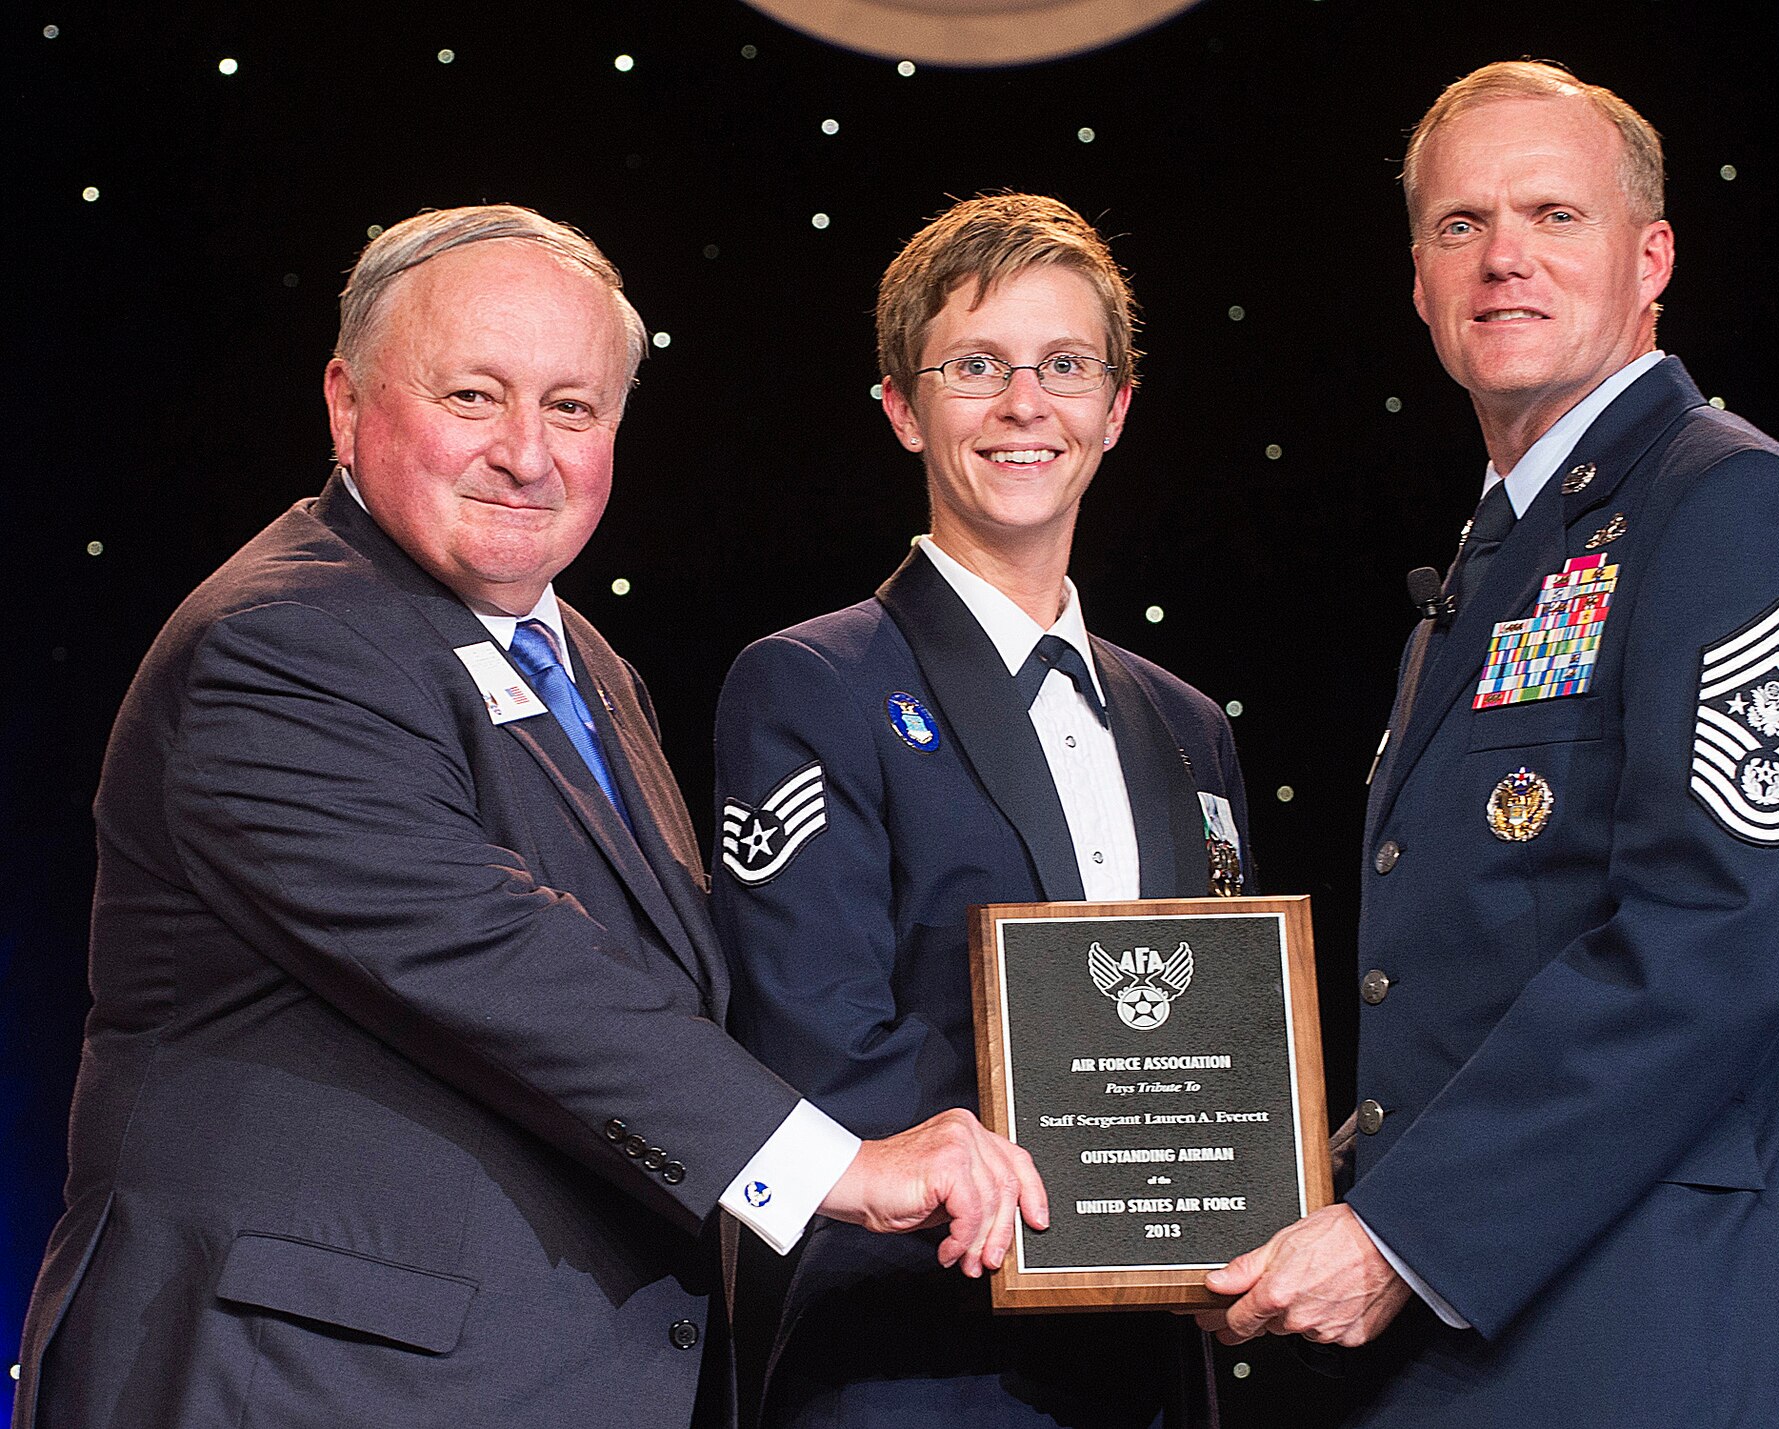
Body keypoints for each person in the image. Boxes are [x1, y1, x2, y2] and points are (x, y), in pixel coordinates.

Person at [9, 204, 1046, 1429]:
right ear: (345, 403)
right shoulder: (281, 643)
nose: (526, 452)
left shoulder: (583, 661)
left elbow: (678, 979)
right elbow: (493, 955)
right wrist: (843, 1162)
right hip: (310, 1382)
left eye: (572, 407)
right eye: (470, 397)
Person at [1196, 62, 1779, 1427]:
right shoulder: (1501, 555)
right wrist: (1309, 1178)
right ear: (1417, 279)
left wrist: (1402, 1233)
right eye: (1461, 225)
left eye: (1554, 214)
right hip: (1484, 1340)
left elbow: (1708, 940)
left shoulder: (1732, 510)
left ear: (1651, 256)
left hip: (1649, 1331)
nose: (1504, 257)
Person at [710, 193, 1250, 1427]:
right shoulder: (811, 684)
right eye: (975, 366)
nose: (1024, 403)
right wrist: (1086, 1191)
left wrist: (1233, 1199)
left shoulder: (1187, 724)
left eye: (1064, 365)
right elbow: (813, 1040)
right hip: (917, 1359)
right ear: (902, 406)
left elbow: (1224, 1033)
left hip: (1155, 1368)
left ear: (1114, 408)